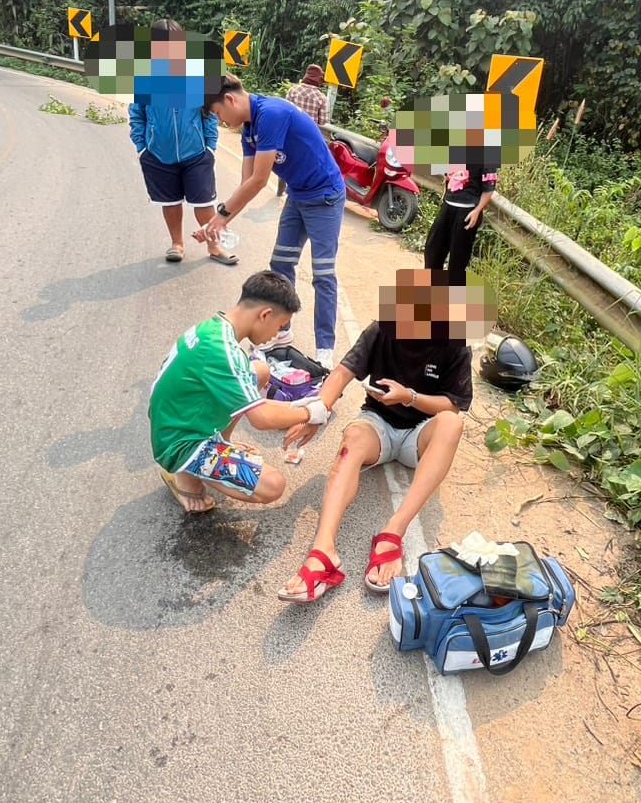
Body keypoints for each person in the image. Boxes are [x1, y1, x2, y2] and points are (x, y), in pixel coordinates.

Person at [275, 269, 474, 603]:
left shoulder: (455, 344)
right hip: (378, 423)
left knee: (452, 424)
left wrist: (409, 397)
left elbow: (453, 404)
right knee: (352, 437)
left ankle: (393, 531)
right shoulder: (382, 328)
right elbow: (343, 372)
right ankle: (323, 550)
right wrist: (317, 412)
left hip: (420, 435)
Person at [150, 271, 329, 514]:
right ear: (265, 314)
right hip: (179, 443)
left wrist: (302, 408)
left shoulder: (214, 329)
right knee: (272, 485)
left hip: (174, 420)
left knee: (260, 371)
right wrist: (309, 412)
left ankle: (220, 445)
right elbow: (261, 418)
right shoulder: (223, 352)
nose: (277, 335)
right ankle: (185, 475)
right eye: (279, 326)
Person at [202, 75, 346, 370]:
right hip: (298, 196)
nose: (220, 120)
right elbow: (246, 183)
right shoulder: (249, 128)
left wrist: (220, 217)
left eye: (217, 113)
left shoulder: (271, 114)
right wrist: (219, 223)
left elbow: (259, 180)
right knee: (280, 265)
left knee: (322, 274)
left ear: (229, 99)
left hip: (325, 197)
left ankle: (324, 349)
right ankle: (281, 331)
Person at [130, 18, 236, 267]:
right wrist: (143, 148)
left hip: (196, 153)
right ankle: (177, 243)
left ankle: (214, 246)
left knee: (204, 203)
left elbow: (209, 112)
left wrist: (210, 147)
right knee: (170, 202)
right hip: (158, 154)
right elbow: (137, 115)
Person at [422, 162, 497, 284]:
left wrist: (477, 211)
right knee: (433, 249)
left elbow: (489, 189)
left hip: (467, 212)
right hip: (448, 206)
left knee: (458, 258)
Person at [277, 64, 329, 198]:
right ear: (319, 79)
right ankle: (295, 191)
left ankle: (280, 188)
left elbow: (284, 111)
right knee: (302, 163)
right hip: (309, 136)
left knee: (285, 159)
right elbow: (323, 121)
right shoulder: (321, 98)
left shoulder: (293, 90)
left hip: (290, 132)